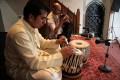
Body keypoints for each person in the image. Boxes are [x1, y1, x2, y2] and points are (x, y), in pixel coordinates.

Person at [4, 0, 77, 80]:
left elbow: (42, 42)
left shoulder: (31, 25)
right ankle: (55, 70)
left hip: (34, 57)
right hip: (19, 68)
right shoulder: (19, 33)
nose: (45, 22)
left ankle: (55, 68)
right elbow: (33, 62)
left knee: (58, 49)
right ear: (31, 17)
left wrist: (57, 41)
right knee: (50, 77)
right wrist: (61, 55)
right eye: (43, 18)